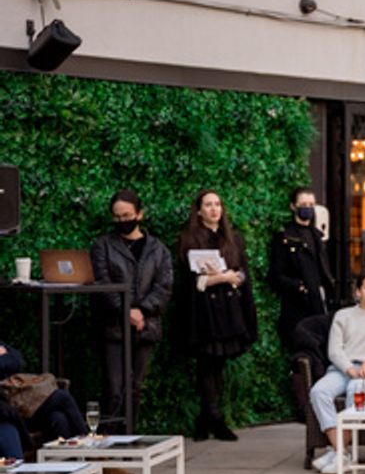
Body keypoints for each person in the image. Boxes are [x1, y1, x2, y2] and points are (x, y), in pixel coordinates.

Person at [90, 189, 173, 434]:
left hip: (145, 327)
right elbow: (103, 283)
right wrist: (126, 311)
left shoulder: (158, 250)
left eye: (126, 215)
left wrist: (142, 311)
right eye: (117, 217)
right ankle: (110, 439)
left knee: (135, 387)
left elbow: (164, 286)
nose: (122, 221)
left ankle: (130, 435)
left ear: (139, 214)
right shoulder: (103, 246)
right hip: (114, 327)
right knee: (114, 387)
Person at [178, 189, 258, 442]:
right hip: (204, 312)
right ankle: (210, 417)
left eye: (217, 204)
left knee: (219, 364)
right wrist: (222, 277)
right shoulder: (189, 238)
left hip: (228, 309)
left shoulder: (233, 238)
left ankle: (211, 417)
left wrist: (233, 278)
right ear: (199, 210)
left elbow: (243, 274)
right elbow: (190, 281)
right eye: (208, 205)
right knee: (206, 363)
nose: (214, 209)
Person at [309, 271, 365, 474]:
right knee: (318, 392)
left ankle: (337, 454)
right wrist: (350, 369)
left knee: (356, 390)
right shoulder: (343, 315)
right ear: (357, 292)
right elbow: (334, 350)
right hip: (342, 369)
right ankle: (341, 451)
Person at [268, 186, 334, 350]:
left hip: (319, 303)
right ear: (293, 206)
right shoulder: (284, 236)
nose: (308, 208)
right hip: (297, 306)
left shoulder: (317, 236)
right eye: (303, 204)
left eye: (311, 204)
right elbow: (275, 275)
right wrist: (298, 287)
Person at [0, 341, 87, 443]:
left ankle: (65, 457)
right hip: (11, 412)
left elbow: (19, 360)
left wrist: (4, 359)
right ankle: (88, 442)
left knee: (58, 418)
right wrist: (4, 357)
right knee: (62, 397)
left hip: (24, 404)